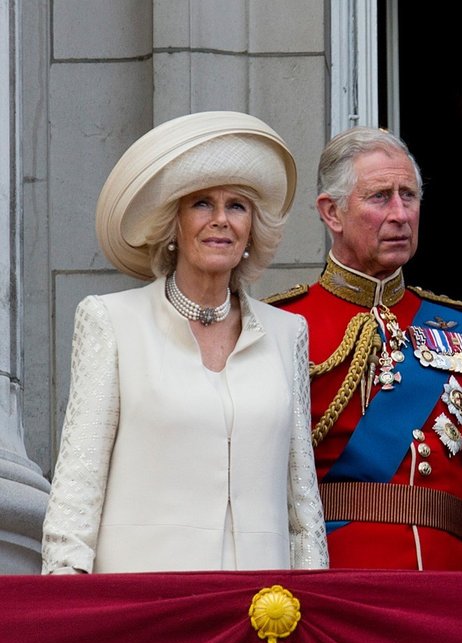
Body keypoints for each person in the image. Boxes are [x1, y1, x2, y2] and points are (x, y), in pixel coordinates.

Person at [40, 110, 329, 574]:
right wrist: (68, 604)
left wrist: (310, 605)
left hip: (261, 614)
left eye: (236, 206)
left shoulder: (286, 333)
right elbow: (77, 489)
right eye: (201, 204)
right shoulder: (113, 321)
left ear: (253, 228)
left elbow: (303, 509)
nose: (220, 220)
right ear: (171, 224)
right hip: (146, 610)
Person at [266, 126, 462, 571]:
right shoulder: (283, 325)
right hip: (337, 578)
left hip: (451, 578)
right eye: (380, 197)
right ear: (332, 213)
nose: (401, 213)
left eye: (410, 196)